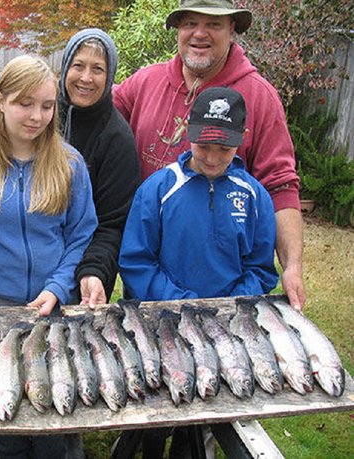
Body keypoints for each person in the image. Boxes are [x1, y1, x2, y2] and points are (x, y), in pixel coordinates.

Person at [0, 55, 97, 458]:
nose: (37, 116)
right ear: (0, 101)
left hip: (51, 307)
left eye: (47, 106)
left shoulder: (68, 163)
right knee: (6, 414)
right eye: (25, 103)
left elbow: (80, 234)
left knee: (52, 410)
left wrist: (58, 286)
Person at [112, 0, 305, 309]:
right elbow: (96, 115)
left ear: (232, 29)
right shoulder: (145, 81)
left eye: (213, 24)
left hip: (226, 296)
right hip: (154, 292)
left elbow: (281, 186)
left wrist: (292, 265)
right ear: (177, 29)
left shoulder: (259, 96)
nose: (199, 33)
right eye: (189, 23)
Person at [118, 86, 278, 458]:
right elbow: (137, 262)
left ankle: (193, 446)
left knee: (208, 401)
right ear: (187, 132)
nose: (211, 157)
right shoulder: (157, 189)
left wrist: (227, 303)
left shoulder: (254, 197)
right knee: (157, 405)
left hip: (226, 326)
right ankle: (143, 442)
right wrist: (179, 301)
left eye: (223, 148)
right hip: (161, 322)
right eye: (203, 145)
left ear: (241, 142)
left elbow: (260, 268)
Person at [59, 28, 141, 306]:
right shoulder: (42, 117)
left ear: (109, 77)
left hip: (85, 273)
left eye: (98, 69)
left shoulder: (117, 137)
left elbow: (113, 224)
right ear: (65, 67)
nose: (86, 78)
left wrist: (94, 270)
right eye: (78, 65)